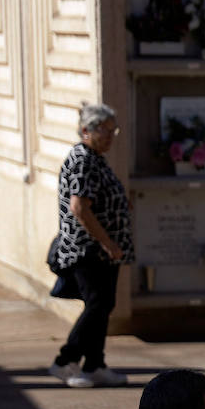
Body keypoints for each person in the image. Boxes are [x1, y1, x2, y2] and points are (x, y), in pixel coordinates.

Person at [47, 103, 133, 388]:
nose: (110, 136)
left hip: (103, 250)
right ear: (86, 130)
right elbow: (80, 208)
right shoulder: (83, 159)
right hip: (88, 250)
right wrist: (107, 243)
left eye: (113, 130)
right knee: (97, 304)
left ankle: (95, 364)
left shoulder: (96, 158)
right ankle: (65, 362)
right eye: (104, 130)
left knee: (103, 304)